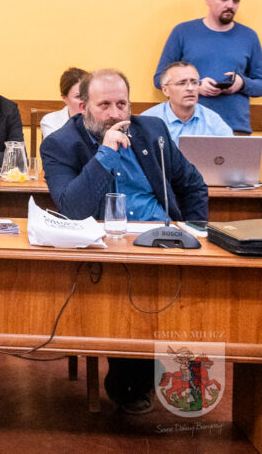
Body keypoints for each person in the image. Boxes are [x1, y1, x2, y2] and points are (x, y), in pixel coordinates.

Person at [40, 68, 207, 415]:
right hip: (104, 248)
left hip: (163, 240)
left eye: (122, 104)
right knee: (129, 297)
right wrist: (105, 153)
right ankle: (130, 382)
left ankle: (165, 376)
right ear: (83, 107)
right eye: (104, 105)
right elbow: (72, 208)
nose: (115, 113)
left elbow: (193, 185)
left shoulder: (153, 131)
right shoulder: (60, 144)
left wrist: (196, 233)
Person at [154, 0, 262, 134]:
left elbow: (260, 84)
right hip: (190, 127)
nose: (230, 5)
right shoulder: (183, 32)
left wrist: (242, 84)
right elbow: (160, 79)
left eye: (235, 0)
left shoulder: (249, 36)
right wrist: (195, 86)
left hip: (235, 128)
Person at [143, 62, 234, 143]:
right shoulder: (148, 120)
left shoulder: (212, 120)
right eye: (181, 83)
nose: (190, 88)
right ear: (165, 90)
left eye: (194, 82)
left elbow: (231, 150)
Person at [39, 67, 88, 140]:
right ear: (64, 98)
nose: (84, 101)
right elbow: (56, 146)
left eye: (87, 95)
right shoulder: (50, 121)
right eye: (78, 96)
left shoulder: (100, 118)